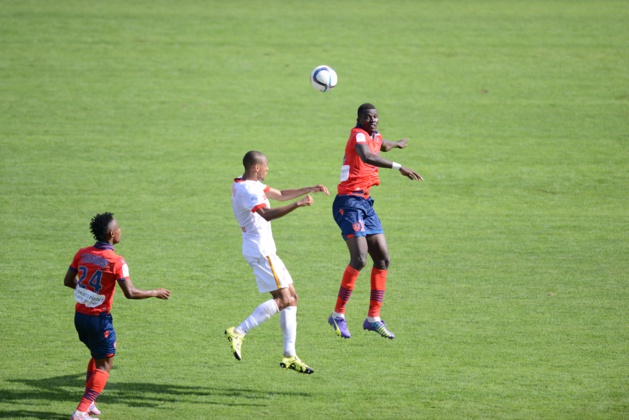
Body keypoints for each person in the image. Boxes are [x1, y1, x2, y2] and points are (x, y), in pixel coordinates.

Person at [225, 150, 329, 374]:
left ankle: (289, 355)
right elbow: (267, 214)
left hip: (264, 251)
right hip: (261, 251)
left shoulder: (245, 183)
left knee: (292, 298)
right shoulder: (249, 190)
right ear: (256, 167)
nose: (268, 169)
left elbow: (280, 194)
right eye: (266, 166)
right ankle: (239, 331)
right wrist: (298, 204)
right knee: (283, 299)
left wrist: (310, 188)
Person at [328, 103, 423, 340]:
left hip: (365, 203)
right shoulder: (357, 135)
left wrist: (396, 144)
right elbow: (367, 155)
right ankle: (338, 315)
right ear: (359, 119)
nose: (373, 120)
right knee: (359, 259)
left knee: (382, 259)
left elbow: (382, 144)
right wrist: (399, 167)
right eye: (368, 117)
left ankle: (373, 318)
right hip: (348, 203)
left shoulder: (374, 136)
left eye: (375, 117)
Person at [63, 212, 170, 420]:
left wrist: (87, 293)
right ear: (112, 234)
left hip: (80, 317)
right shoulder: (116, 261)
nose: (121, 231)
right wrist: (155, 292)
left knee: (97, 355)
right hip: (99, 319)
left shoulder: (82, 253)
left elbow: (68, 281)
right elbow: (130, 293)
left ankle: (90, 402)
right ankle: (81, 411)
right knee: (105, 364)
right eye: (118, 228)